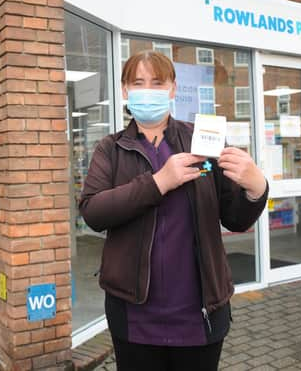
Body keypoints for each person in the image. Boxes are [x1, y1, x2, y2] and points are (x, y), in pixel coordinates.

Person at [79, 51, 268, 371]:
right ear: (125, 90)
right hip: (135, 317)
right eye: (138, 82)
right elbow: (93, 212)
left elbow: (234, 218)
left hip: (199, 316)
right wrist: (158, 182)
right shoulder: (111, 149)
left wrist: (256, 187)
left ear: (172, 89)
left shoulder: (201, 141)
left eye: (158, 82)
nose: (148, 89)